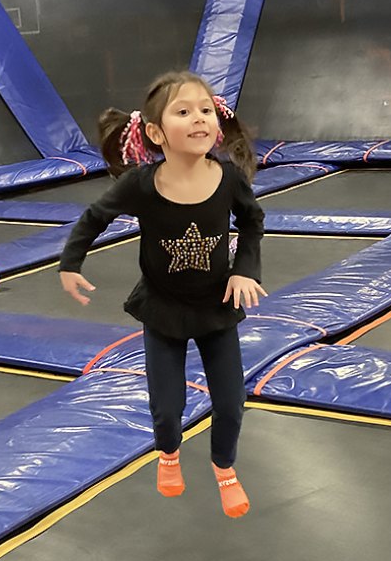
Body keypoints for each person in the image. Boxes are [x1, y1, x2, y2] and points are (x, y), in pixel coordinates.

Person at [58, 70, 266, 518]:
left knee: (231, 402)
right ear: (155, 132)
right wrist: (70, 264)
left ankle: (224, 469)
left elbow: (252, 222)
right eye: (184, 111)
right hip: (164, 309)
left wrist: (243, 270)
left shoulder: (228, 178)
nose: (199, 119)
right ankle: (168, 455)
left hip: (217, 308)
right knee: (168, 408)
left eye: (206, 110)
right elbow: (95, 217)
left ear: (218, 120)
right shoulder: (142, 184)